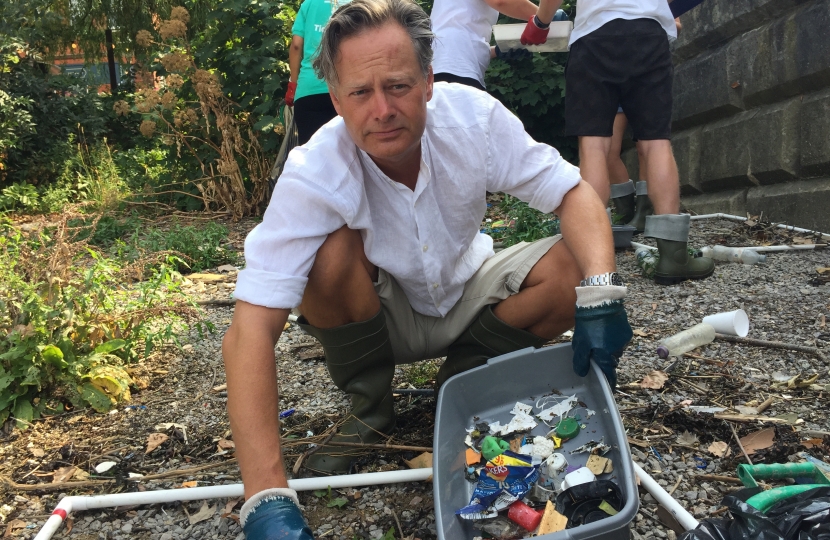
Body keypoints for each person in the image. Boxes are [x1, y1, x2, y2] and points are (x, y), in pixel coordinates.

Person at [223, 1, 632, 537]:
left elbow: (575, 194)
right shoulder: (313, 170)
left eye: (397, 85)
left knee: (575, 262)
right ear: (337, 102)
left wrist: (601, 295)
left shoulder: (474, 119)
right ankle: (370, 410)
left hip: (470, 287)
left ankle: (465, 382)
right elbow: (249, 329)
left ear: (429, 81)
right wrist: (265, 498)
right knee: (327, 255)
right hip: (382, 313)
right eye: (360, 93)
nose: (382, 110)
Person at [564, 0, 713, 285]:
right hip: (647, 33)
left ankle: (591, 257)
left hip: (593, 36)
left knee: (594, 146)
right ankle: (673, 256)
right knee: (655, 143)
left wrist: (540, 23)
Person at [430, 0, 566, 91]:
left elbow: (462, 29)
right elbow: (501, 1)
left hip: (448, 64)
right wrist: (545, 16)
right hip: (454, 69)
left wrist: (497, 51)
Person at [286, 0, 351, 145]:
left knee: (311, 152)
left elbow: (296, 45)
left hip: (308, 90)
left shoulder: (309, 4)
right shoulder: (355, 4)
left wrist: (293, 85)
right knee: (349, 152)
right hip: (344, 88)